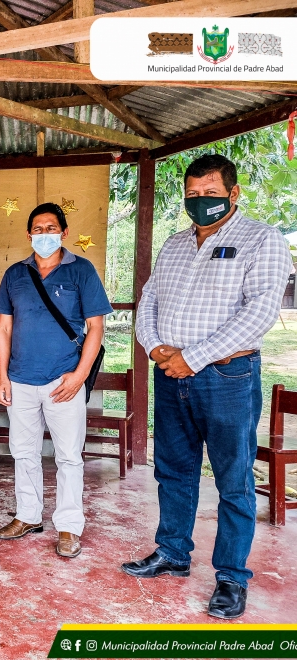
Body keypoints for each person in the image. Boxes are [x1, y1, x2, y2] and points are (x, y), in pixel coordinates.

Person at [125, 154, 292, 619]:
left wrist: (190, 358)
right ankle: (173, 553)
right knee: (173, 470)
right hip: (170, 374)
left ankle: (231, 577)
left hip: (226, 376)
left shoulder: (262, 239)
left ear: (233, 194)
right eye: (193, 194)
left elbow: (258, 313)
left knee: (232, 479)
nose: (200, 202)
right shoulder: (175, 244)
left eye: (211, 194)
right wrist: (158, 350)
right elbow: (149, 301)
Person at [0, 203, 111, 557]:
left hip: (64, 381)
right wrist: (3, 376)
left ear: (64, 232)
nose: (44, 234)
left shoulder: (82, 271)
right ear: (28, 234)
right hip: (21, 380)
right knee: (23, 453)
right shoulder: (15, 274)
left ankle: (69, 527)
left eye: (51, 228)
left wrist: (79, 376)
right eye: (38, 229)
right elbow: (4, 327)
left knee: (68, 457)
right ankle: (28, 515)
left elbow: (96, 328)